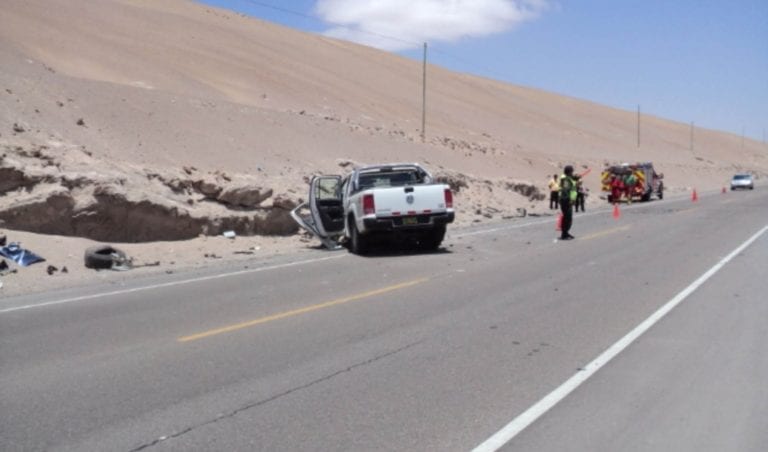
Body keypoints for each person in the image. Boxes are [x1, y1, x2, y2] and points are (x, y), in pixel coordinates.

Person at [559, 165, 579, 240]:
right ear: (569, 172)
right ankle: (564, 234)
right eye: (572, 171)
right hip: (566, 200)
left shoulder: (568, 179)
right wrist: (569, 200)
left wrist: (576, 179)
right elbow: (565, 190)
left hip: (568, 200)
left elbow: (572, 180)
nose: (572, 173)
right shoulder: (566, 180)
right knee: (567, 218)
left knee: (568, 217)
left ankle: (566, 233)